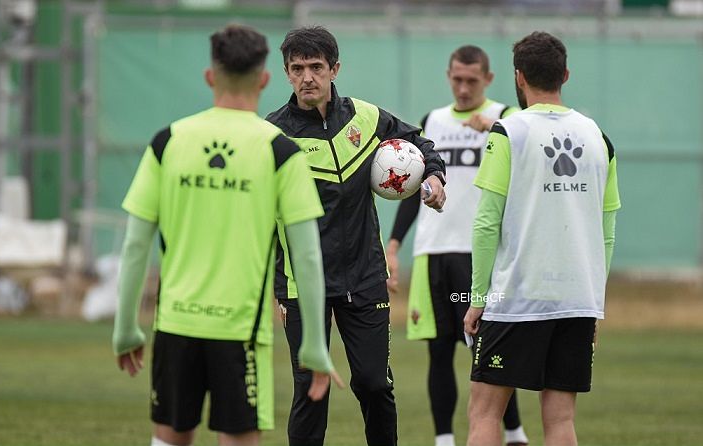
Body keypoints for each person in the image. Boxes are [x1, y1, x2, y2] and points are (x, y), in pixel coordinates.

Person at [112, 24, 339, 446]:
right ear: (267, 78)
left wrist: (126, 326)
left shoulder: (169, 141)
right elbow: (305, 256)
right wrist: (314, 345)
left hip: (175, 323)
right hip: (240, 331)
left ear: (210, 76)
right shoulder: (279, 150)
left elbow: (135, 245)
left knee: (169, 438)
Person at [266, 26, 447, 446]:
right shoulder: (273, 135)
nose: (307, 77)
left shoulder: (366, 118)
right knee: (312, 390)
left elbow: (421, 144)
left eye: (316, 67)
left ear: (334, 69)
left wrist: (435, 177)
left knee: (374, 384)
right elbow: (261, 218)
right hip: (302, 285)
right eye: (297, 69)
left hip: (365, 276)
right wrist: (278, 288)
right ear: (286, 74)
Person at [463, 31, 621, 446]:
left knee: (483, 412)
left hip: (517, 299)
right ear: (565, 74)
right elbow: (607, 231)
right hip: (577, 300)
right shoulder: (598, 137)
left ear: (518, 77)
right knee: (561, 420)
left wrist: (479, 298)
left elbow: (485, 224)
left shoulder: (507, 132)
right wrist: (595, 301)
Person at [386, 45, 528, 446]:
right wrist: (394, 245)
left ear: (489, 79)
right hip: (433, 253)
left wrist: (495, 130)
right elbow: (414, 189)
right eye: (457, 79)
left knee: (486, 350)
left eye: (472, 80)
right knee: (438, 352)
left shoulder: (507, 119)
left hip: (481, 255)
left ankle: (514, 432)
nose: (463, 88)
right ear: (448, 75)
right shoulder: (431, 121)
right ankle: (444, 439)